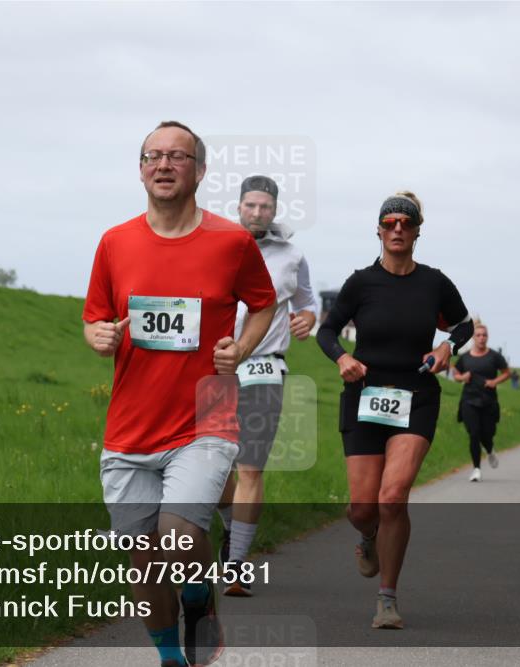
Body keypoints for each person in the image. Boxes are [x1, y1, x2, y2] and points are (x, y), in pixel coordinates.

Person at [83, 121, 277, 667]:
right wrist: (99, 335)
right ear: (141, 168)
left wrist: (239, 349)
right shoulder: (114, 242)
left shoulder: (231, 242)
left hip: (205, 419)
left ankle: (197, 592)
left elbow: (263, 303)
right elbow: (95, 317)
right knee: (141, 559)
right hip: (130, 428)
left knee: (177, 534)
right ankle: (172, 658)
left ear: (200, 169)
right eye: (153, 156)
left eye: (178, 156)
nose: (164, 165)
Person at [316, 191, 473, 629]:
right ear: (379, 230)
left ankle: (387, 598)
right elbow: (326, 331)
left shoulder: (434, 282)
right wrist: (342, 358)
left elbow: (464, 324)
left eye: (406, 222)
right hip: (365, 395)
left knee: (392, 497)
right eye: (390, 223)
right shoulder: (361, 282)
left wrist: (447, 346)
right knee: (363, 508)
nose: (398, 229)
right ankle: (367, 536)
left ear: (418, 230)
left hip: (416, 395)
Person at [216, 175, 319, 597]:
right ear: (238, 207)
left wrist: (308, 319)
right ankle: (230, 534)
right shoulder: (215, 245)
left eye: (265, 207)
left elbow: (308, 301)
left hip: (263, 369)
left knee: (250, 466)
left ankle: (236, 565)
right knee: (213, 469)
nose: (257, 213)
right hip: (215, 370)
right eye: (250, 206)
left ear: (274, 210)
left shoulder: (291, 255)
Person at [453, 323, 511, 482]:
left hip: (488, 401)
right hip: (469, 400)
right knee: (473, 434)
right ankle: (476, 469)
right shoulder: (465, 358)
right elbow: (456, 373)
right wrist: (462, 378)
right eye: (478, 335)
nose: (481, 338)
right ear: (473, 338)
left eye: (484, 335)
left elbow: (507, 373)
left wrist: (495, 381)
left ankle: (490, 450)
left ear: (487, 337)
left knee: (487, 434)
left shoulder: (494, 356)